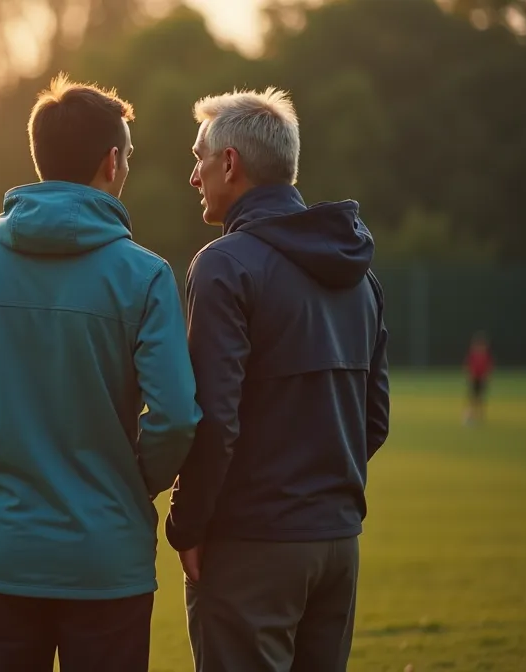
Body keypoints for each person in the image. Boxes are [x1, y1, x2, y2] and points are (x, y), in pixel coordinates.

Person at [0, 73, 201, 672]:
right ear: (112, 162)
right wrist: (130, 483)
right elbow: (174, 417)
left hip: (3, 550)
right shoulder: (144, 276)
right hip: (107, 558)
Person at [166, 88, 391, 672]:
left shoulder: (224, 264)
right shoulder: (361, 274)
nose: (194, 176)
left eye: (198, 159)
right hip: (338, 545)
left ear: (230, 163)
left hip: (252, 546)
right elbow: (374, 420)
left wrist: (187, 524)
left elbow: (214, 417)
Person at [465, 331, 494, 425]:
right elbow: (469, 366)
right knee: (473, 398)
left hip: (482, 379)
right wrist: (470, 375)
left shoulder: (486, 355)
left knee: (481, 398)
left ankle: (480, 416)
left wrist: (487, 376)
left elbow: (488, 367)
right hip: (475, 379)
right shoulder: (473, 355)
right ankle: (470, 416)